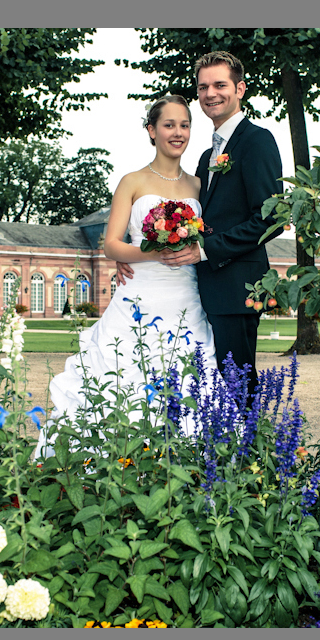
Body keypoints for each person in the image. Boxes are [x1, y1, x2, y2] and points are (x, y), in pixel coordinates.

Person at [35, 95, 217, 458]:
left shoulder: (200, 186)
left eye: (184, 125)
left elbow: (209, 238)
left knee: (193, 383)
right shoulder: (132, 181)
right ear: (152, 131)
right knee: (121, 379)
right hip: (139, 296)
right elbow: (111, 245)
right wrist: (152, 251)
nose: (178, 132)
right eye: (168, 125)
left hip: (186, 296)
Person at [118, 51, 283, 395]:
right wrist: (135, 250)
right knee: (210, 388)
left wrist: (205, 250)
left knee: (237, 387)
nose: (211, 93)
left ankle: (251, 434)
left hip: (237, 289)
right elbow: (198, 222)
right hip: (201, 289)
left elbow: (271, 219)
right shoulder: (208, 156)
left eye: (220, 85)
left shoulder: (257, 141)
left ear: (240, 89)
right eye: (203, 87)